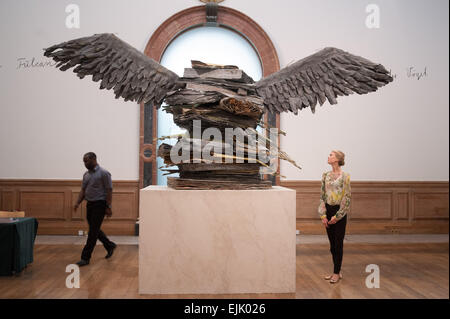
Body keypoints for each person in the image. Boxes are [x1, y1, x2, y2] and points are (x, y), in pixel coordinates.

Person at [74, 152, 116, 266]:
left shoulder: (104, 173)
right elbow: (83, 190)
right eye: (83, 161)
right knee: (94, 229)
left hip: (100, 205)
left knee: (92, 232)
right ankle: (109, 245)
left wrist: (108, 206)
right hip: (90, 204)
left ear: (94, 159)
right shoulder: (86, 175)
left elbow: (109, 191)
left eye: (86, 161)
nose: (85, 163)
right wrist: (78, 202)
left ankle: (85, 257)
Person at [318, 150, 351, 284]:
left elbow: (347, 197)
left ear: (337, 159)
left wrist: (338, 216)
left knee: (338, 244)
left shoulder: (345, 176)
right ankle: (336, 271)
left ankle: (336, 273)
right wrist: (323, 215)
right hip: (328, 210)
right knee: (332, 245)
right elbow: (322, 196)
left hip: (339, 212)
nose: (328, 156)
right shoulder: (325, 175)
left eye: (331, 155)